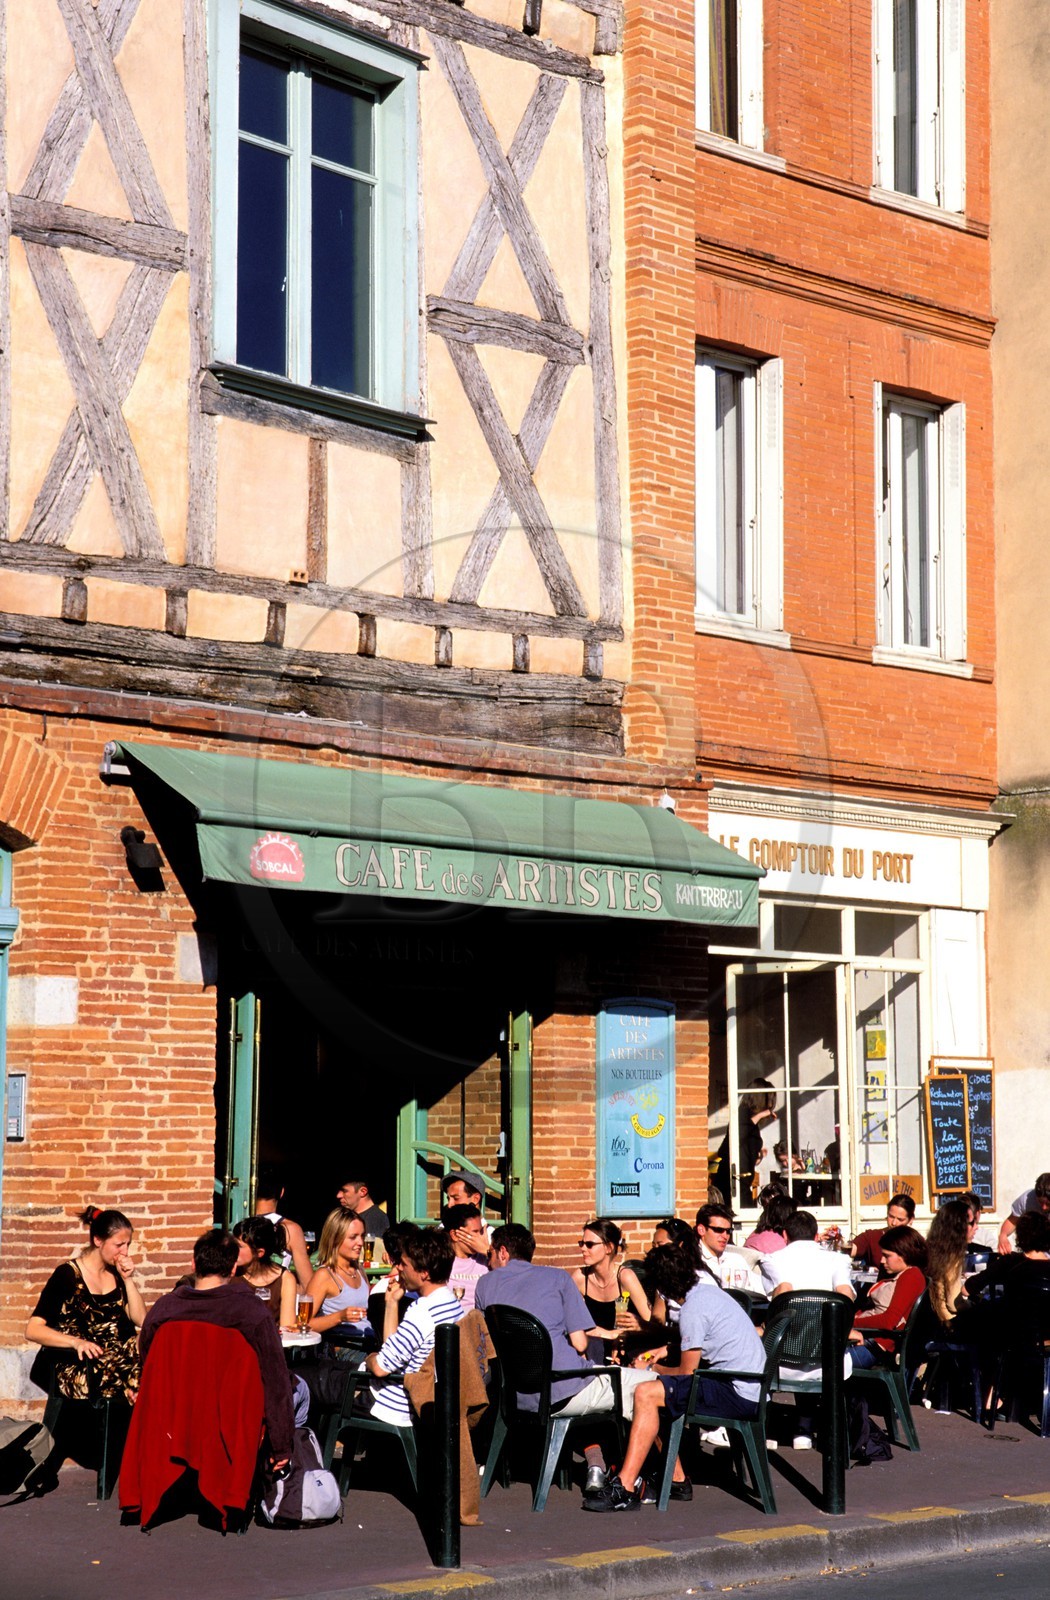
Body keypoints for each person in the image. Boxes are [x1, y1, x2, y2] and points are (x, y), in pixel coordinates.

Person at [474, 1223, 659, 1500]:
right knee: (653, 1386)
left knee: (598, 1384)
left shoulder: (484, 1284)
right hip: (560, 1390)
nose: (488, 1260)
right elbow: (581, 1343)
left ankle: (602, 1464)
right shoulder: (559, 1279)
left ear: (502, 1252)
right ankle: (654, 1478)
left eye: (489, 1254)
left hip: (513, 1395)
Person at [122, 1231, 294, 1522]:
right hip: (229, 1420)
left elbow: (147, 1354)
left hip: (173, 1415)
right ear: (233, 1268)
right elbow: (275, 1380)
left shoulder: (165, 1308)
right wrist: (281, 1444)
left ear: (193, 1263)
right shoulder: (251, 1312)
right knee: (296, 1388)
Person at [585, 1245, 766, 1512]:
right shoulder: (707, 1294)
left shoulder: (692, 1309)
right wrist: (660, 1354)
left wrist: (654, 1370)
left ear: (664, 1285)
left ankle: (625, 1487)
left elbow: (686, 1373)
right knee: (655, 1394)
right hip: (747, 1386)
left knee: (646, 1393)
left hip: (736, 1392)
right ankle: (676, 1479)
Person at [26, 1205, 146, 1487]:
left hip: (115, 1358)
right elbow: (33, 1329)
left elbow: (142, 1319)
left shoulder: (116, 1275)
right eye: (119, 1244)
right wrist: (76, 1341)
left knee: (156, 1358)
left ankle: (149, 1448)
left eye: (128, 1244)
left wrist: (128, 1279)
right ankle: (132, 1398)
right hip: (76, 1360)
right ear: (98, 1241)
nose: (124, 1252)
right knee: (119, 1370)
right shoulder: (67, 1275)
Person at [761, 1210, 855, 1449]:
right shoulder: (837, 1259)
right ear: (816, 1236)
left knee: (770, 1337)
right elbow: (846, 1296)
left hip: (781, 1361)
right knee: (810, 1336)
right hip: (827, 1358)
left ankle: (768, 1425)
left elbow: (777, 1298)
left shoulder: (772, 1259)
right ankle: (804, 1426)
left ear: (784, 1235)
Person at [363, 1227, 465, 1426]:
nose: (398, 1268)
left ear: (424, 1273)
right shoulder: (450, 1302)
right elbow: (393, 1350)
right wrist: (392, 1304)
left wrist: (369, 1358)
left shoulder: (422, 1311)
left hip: (396, 1402)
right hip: (423, 1395)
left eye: (404, 1264)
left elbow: (381, 1368)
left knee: (312, 1380)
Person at [847, 1225, 927, 1368]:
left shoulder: (911, 1276)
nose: (882, 1261)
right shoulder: (902, 1275)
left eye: (887, 1256)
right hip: (864, 1340)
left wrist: (849, 1324)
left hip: (873, 1347)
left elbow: (889, 1321)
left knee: (815, 1364)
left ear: (905, 1254)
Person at [571, 1218, 651, 1355]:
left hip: (627, 1346)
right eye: (581, 1243)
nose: (583, 1248)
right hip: (594, 1347)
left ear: (609, 1248)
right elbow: (572, 1322)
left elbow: (650, 1322)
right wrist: (607, 1334)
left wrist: (622, 1335)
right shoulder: (580, 1277)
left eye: (589, 1244)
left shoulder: (625, 1277)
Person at [306, 1209, 372, 1341]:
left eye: (362, 1236)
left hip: (369, 1341)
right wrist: (340, 1317)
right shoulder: (325, 1275)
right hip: (346, 1347)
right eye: (353, 1237)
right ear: (335, 1239)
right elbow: (304, 1325)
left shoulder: (358, 1270)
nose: (360, 1242)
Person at [711, 1079, 777, 1208]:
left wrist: (757, 1156)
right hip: (731, 1181)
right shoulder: (742, 1115)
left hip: (742, 1181)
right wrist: (759, 1116)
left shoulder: (750, 1121)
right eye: (769, 1100)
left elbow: (744, 1147)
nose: (770, 1105)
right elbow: (734, 1139)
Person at [233, 1215, 297, 1329]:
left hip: (269, 1343)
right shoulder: (229, 1272)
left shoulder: (285, 1279)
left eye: (239, 1246)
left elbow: (287, 1328)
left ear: (259, 1253)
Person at [255, 1164, 313, 1288]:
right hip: (276, 1300)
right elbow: (308, 1283)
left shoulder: (241, 1225)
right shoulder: (290, 1229)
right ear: (282, 1193)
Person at [926, 1197, 976, 1332]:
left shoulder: (935, 1251)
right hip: (950, 1326)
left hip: (934, 1322)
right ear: (958, 1227)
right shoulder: (952, 1257)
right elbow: (954, 1304)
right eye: (972, 1223)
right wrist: (975, 1305)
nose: (976, 1227)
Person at [695, 1203, 759, 1291]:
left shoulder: (736, 1260)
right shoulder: (691, 1261)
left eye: (728, 1231)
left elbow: (759, 1291)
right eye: (719, 1230)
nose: (725, 1236)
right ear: (701, 1230)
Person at [441, 1203, 489, 1309]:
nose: (480, 1237)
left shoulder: (487, 1260)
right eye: (475, 1232)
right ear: (455, 1235)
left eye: (481, 1231)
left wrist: (487, 1251)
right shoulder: (440, 1260)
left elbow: (510, 1277)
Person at [851, 1194, 916, 1268]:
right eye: (891, 1217)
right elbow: (851, 1249)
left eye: (900, 1219)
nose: (894, 1223)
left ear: (911, 1220)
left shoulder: (916, 1243)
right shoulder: (872, 1237)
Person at [997, 1173, 1050, 1253]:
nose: (1044, 1207)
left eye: (1048, 1204)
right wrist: (1003, 1236)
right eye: (1040, 1202)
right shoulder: (1026, 1200)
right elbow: (1012, 1221)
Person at [335, 1176, 389, 1240]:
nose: (338, 1195)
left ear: (363, 1191)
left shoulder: (374, 1218)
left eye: (344, 1191)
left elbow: (374, 1249)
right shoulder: (349, 1216)